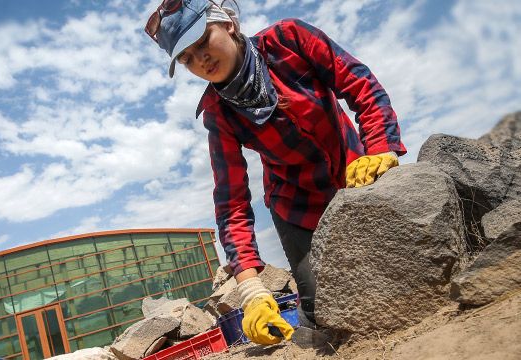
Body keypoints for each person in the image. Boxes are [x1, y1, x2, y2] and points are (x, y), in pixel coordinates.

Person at [145, 0, 407, 345]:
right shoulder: (218, 114)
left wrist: (380, 147)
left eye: (202, 42)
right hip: (296, 207)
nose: (200, 60)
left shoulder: (289, 40)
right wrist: (251, 289)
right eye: (187, 58)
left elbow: (360, 85)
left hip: (357, 175)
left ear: (228, 25)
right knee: (322, 309)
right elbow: (231, 203)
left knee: (395, 271)